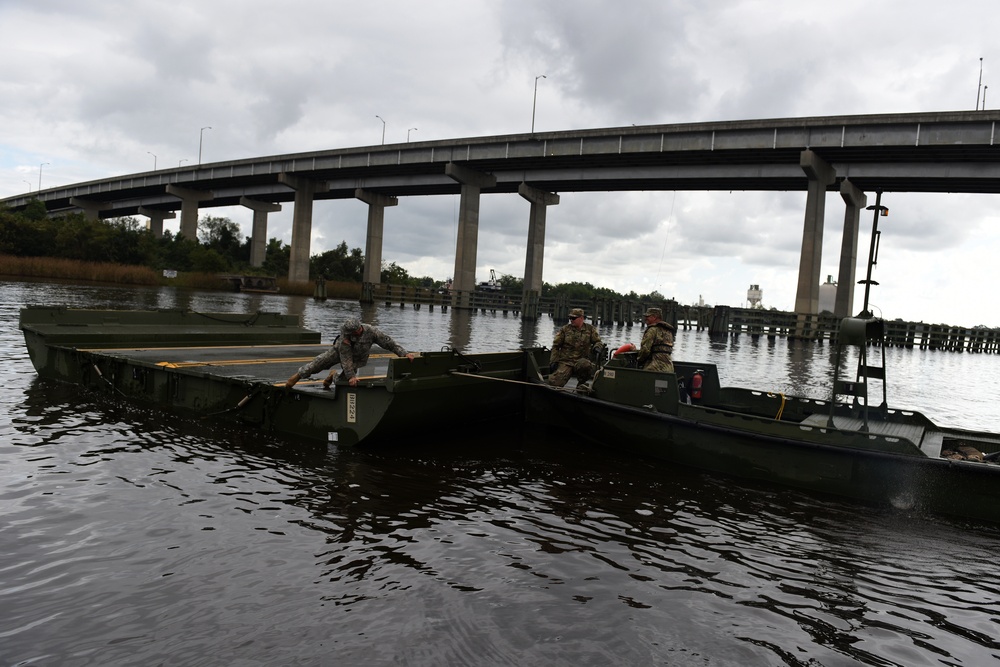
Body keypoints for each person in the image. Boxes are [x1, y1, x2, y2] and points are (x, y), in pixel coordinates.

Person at [285, 317, 414, 389]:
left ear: (358, 330)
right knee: (317, 364)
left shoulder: (372, 332)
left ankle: (333, 376)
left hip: (358, 358)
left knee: (344, 383)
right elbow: (346, 358)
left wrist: (404, 353)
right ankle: (297, 376)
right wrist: (351, 375)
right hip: (338, 352)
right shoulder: (345, 336)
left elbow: (389, 343)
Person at [548, 308, 603, 387]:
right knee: (555, 383)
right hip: (566, 361)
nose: (571, 320)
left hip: (581, 361)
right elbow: (556, 346)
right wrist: (553, 361)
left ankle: (581, 383)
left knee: (586, 365)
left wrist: (597, 347)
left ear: (581, 318)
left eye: (573, 318)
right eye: (570, 318)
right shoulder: (565, 329)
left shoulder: (590, 329)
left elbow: (598, 341)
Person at [636, 307, 675, 373]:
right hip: (669, 368)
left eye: (648, 316)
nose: (645, 319)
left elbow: (645, 350)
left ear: (654, 317)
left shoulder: (652, 330)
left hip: (654, 368)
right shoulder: (668, 331)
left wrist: (638, 360)